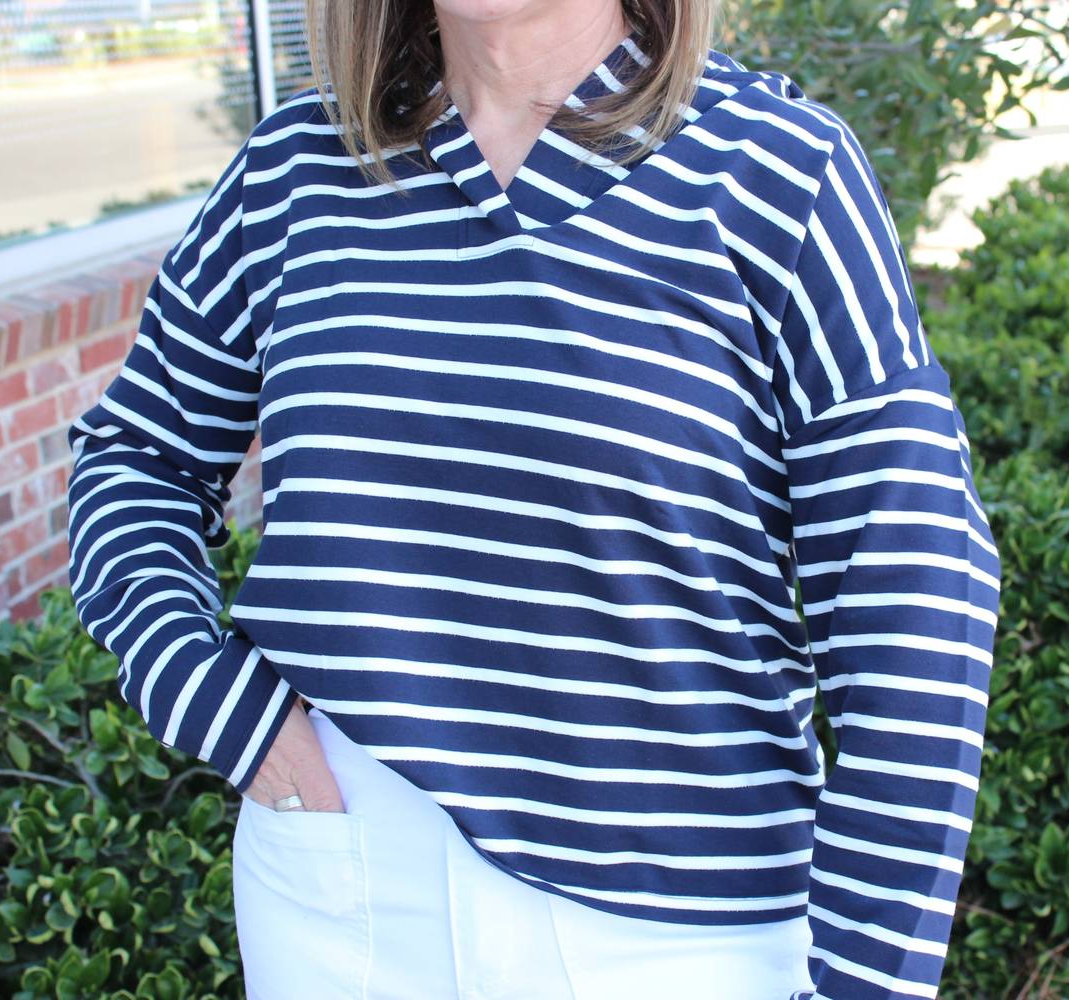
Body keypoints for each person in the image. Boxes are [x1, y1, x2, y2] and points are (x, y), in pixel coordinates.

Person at [62, 0, 1002, 997]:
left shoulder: (777, 170)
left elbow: (916, 591)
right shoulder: (296, 170)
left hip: (683, 940)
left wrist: (867, 978)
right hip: (341, 894)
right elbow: (134, 457)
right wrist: (220, 706)